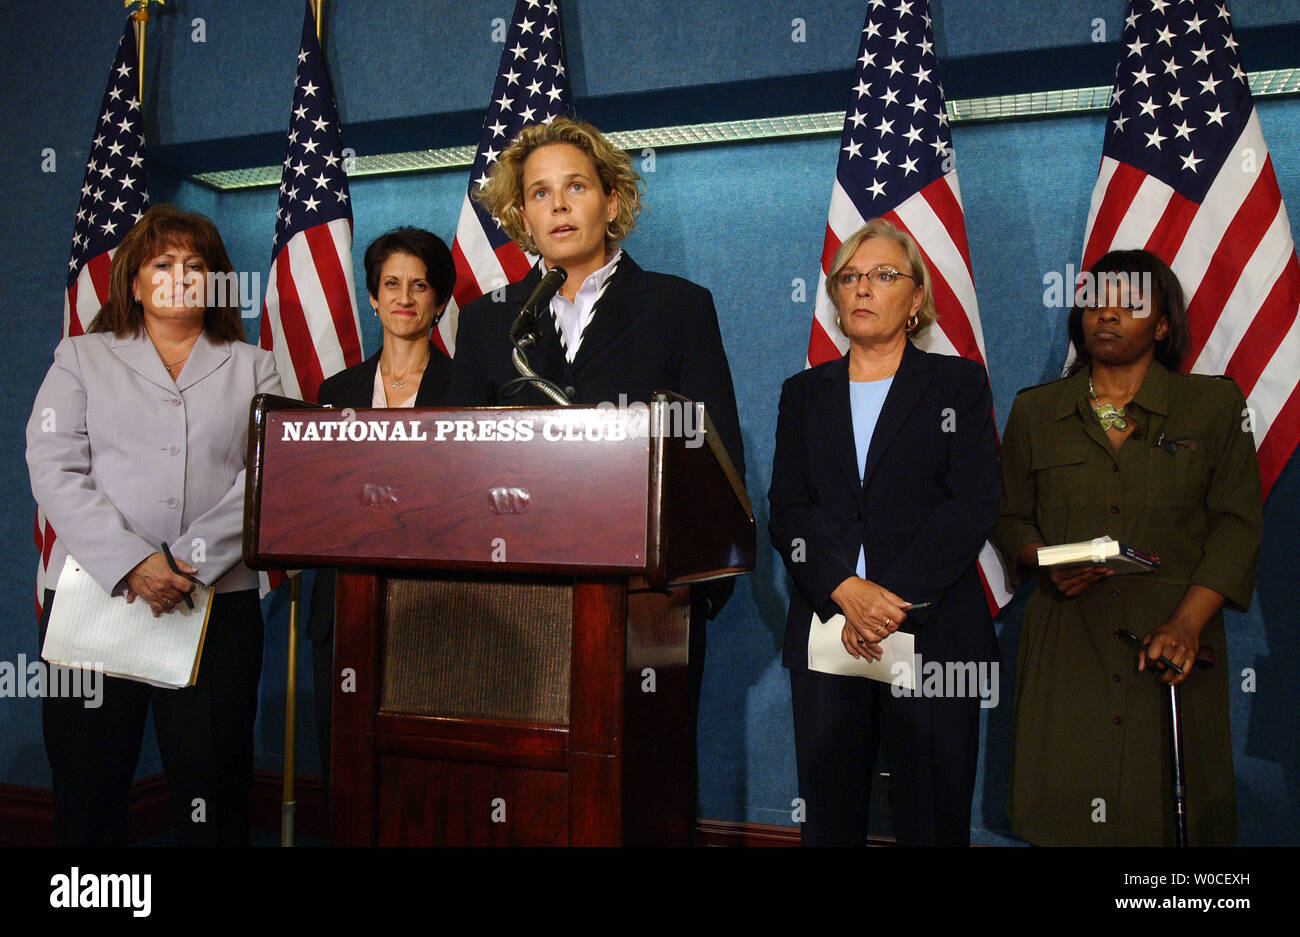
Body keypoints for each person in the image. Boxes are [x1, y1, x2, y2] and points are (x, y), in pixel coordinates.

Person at [447, 117, 746, 829]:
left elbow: (715, 454)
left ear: (611, 200)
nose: (557, 205)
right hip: (518, 607)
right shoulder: (489, 322)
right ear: (521, 216)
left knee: (642, 790)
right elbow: (455, 464)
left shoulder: (678, 306)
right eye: (539, 193)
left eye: (574, 187)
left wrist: (684, 591)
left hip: (642, 605)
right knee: (529, 790)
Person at [26, 205, 283, 845]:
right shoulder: (81, 356)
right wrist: (135, 563)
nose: (180, 276)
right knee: (87, 788)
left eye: (196, 266)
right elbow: (53, 462)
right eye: (162, 264)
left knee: (214, 791)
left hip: (214, 604)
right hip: (97, 594)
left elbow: (266, 477)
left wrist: (180, 563)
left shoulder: (255, 366)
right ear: (134, 283)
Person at [992, 249, 1262, 846]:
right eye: (1093, 302)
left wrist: (1188, 624)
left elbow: (1238, 526)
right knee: (1060, 819)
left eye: (1130, 303)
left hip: (1170, 648)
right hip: (1068, 643)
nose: (1106, 315)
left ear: (1162, 325)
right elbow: (1008, 517)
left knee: (1166, 824)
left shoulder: (1214, 407)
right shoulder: (1035, 411)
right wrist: (1043, 561)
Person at [767, 219, 999, 846]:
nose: (863, 288)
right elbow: (787, 510)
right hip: (828, 630)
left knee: (932, 819)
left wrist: (883, 599)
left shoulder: (959, 385)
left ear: (917, 298)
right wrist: (846, 589)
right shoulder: (803, 393)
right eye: (850, 277)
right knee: (831, 820)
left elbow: (972, 505)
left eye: (883, 276)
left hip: (932, 630)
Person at [305, 226, 455, 790]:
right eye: (391, 284)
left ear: (438, 301)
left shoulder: (464, 387)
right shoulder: (334, 390)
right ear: (372, 296)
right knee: (345, 773)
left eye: (420, 286)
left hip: (432, 610)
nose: (404, 297)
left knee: (417, 782)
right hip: (343, 610)